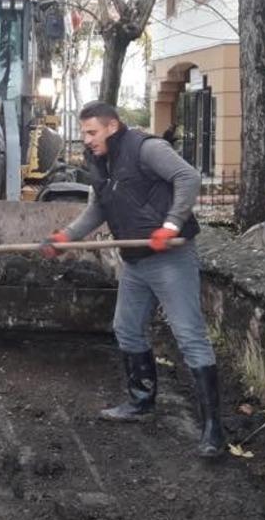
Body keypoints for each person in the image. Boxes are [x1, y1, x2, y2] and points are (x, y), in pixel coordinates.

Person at [41, 101, 225, 458]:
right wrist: (67, 237)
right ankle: (141, 402)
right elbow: (98, 207)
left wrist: (171, 223)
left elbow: (187, 177)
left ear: (112, 126)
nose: (87, 139)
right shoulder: (100, 162)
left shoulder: (146, 148)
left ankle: (213, 429)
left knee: (189, 336)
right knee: (126, 328)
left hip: (169, 257)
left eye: (92, 132)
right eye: (83, 133)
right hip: (136, 260)